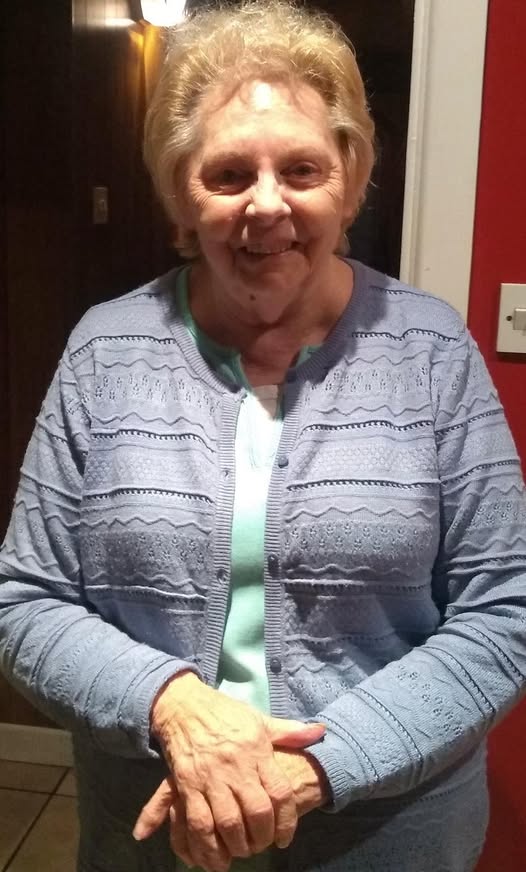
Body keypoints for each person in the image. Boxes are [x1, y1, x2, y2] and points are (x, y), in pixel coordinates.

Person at [1, 2, 526, 870]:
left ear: (350, 182)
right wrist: (173, 706)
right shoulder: (106, 348)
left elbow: (505, 611)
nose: (267, 204)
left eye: (303, 169)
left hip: (386, 837)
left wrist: (310, 769)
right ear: (181, 192)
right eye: (229, 173)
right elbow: (27, 602)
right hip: (154, 831)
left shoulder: (431, 348)